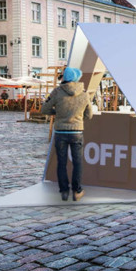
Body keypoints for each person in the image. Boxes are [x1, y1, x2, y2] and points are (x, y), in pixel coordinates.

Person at [41, 67, 93, 201]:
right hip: (77, 131)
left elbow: (44, 109)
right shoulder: (84, 93)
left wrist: (57, 113)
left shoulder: (57, 92)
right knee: (77, 162)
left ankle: (64, 191)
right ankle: (77, 191)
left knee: (61, 162)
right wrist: (79, 118)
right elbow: (90, 115)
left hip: (60, 132)